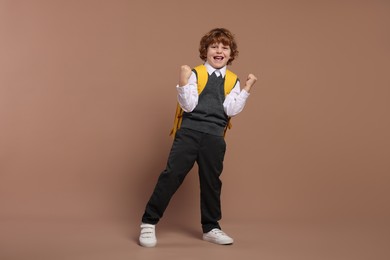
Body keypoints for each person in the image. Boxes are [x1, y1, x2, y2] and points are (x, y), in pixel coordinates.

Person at [139, 28, 257, 247]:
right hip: (189, 133)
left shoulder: (233, 80)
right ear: (205, 51)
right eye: (214, 46)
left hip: (214, 136)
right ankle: (148, 222)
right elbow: (189, 105)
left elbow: (231, 110)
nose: (219, 51)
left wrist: (246, 88)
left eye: (224, 47)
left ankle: (211, 227)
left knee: (211, 182)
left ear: (231, 54)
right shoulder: (196, 73)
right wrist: (183, 82)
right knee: (172, 175)